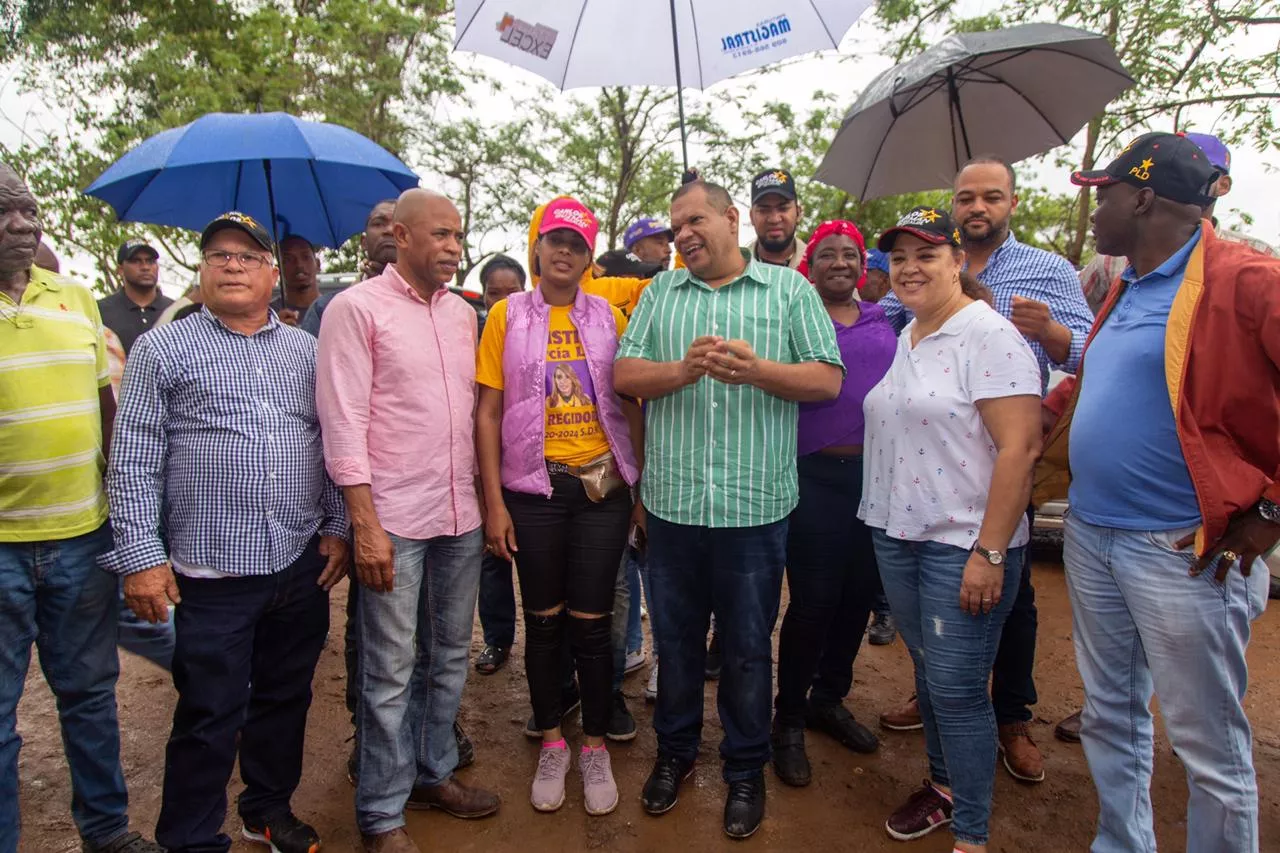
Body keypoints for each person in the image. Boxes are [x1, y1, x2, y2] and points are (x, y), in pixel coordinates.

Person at [1037, 132, 1279, 853]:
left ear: (1142, 198)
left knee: (1207, 744)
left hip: (1182, 550)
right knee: (1113, 713)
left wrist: (1270, 509)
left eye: (1103, 192)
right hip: (1094, 536)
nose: (1095, 205)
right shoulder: (1127, 286)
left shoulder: (1246, 280)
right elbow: (1094, 389)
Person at [99, 211, 348, 853]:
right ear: (202, 272)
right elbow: (131, 458)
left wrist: (338, 527)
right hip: (211, 574)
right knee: (208, 715)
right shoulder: (164, 348)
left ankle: (266, 809)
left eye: (246, 255)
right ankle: (189, 838)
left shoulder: (307, 351)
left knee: (285, 697)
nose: (231, 264)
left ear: (272, 273)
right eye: (218, 256)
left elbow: (333, 441)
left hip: (299, 564)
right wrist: (141, 558)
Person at [615, 180, 843, 839]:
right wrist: (679, 373)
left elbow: (827, 377)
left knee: (746, 649)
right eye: (676, 224)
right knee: (679, 644)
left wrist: (759, 371)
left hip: (755, 508)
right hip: (676, 506)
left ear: (731, 218)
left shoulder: (789, 291)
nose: (684, 233)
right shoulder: (661, 295)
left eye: (696, 219)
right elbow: (625, 375)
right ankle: (676, 754)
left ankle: (745, 769)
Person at [877, 156, 1094, 784]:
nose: (978, 208)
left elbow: (1088, 349)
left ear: (1012, 203)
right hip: (933, 460)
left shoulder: (1048, 270)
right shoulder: (927, 280)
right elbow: (899, 330)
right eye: (966, 198)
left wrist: (1050, 332)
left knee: (1009, 593)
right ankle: (940, 694)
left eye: (991, 197)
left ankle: (1010, 718)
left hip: (1004, 459)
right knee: (940, 619)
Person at [317, 189, 499, 853]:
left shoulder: (461, 314)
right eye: (442, 235)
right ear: (400, 234)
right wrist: (362, 521)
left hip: (459, 512)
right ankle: (381, 812)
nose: (454, 248)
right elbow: (344, 421)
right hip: (392, 517)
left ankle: (433, 771)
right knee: (390, 670)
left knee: (448, 654)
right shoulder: (354, 309)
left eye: (459, 236)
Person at [861, 206, 1041, 852]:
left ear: (959, 262)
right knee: (933, 674)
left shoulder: (987, 336)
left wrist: (990, 552)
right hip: (897, 533)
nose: (909, 267)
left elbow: (1019, 449)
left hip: (962, 542)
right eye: (899, 256)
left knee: (960, 689)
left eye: (927, 254)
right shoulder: (907, 334)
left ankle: (972, 834)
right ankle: (944, 787)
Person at [0, 164, 162, 853]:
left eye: (29, 210)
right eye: (4, 213)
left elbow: (109, 415)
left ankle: (107, 833)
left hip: (80, 538)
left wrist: (131, 524)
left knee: (90, 696)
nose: (22, 224)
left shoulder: (74, 299)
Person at [477, 196, 643, 817]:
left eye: (577, 244)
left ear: (589, 256)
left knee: (593, 626)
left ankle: (594, 746)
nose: (565, 252)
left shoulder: (608, 317)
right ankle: (553, 740)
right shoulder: (505, 316)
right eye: (555, 241)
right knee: (543, 624)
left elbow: (629, 404)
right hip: (532, 491)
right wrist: (494, 503)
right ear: (537, 247)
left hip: (602, 491)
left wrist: (640, 488)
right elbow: (487, 411)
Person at [770, 220, 897, 788]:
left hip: (876, 478)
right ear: (810, 265)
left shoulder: (885, 318)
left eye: (851, 254)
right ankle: (789, 718)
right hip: (813, 474)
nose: (840, 263)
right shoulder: (794, 320)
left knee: (856, 600)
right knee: (815, 600)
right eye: (828, 255)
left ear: (864, 266)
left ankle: (829, 698)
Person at [473, 253, 527, 676]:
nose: (503, 301)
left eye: (512, 292)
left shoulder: (541, 332)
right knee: (493, 559)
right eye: (495, 293)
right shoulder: (472, 332)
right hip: (487, 466)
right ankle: (497, 639)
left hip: (529, 468)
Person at [302, 199, 397, 337]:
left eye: (398, 225)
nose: (389, 230)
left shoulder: (430, 304)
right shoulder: (326, 307)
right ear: (363, 242)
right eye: (378, 223)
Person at [97, 238, 174, 354]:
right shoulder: (100, 311)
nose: (145, 267)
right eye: (136, 261)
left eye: (150, 261)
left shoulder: (176, 310)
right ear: (120, 270)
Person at [747, 168, 806, 268]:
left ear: (798, 213)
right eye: (764, 210)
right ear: (752, 217)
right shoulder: (734, 271)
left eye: (783, 208)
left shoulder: (817, 266)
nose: (774, 219)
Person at [271, 235, 320, 325]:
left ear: (318, 264)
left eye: (305, 257)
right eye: (289, 259)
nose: (299, 264)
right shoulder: (268, 315)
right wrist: (274, 330)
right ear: (279, 270)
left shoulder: (333, 307)